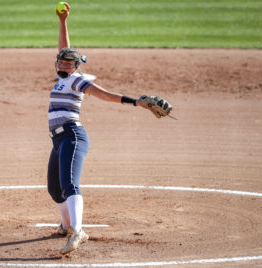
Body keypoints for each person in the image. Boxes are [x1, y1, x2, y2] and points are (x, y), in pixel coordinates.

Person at [47, 2, 172, 255]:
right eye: (60, 62)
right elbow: (65, 49)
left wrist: (136, 101)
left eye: (67, 63)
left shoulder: (78, 81)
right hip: (57, 141)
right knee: (54, 189)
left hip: (72, 136)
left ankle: (78, 231)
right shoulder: (65, 75)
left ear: (76, 67)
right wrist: (63, 22)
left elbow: (104, 95)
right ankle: (66, 224)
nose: (62, 65)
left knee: (70, 184)